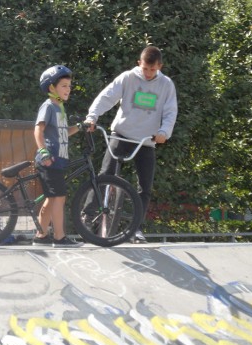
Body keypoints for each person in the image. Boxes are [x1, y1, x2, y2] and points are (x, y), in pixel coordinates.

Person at [84, 46, 178, 243]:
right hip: (122, 134)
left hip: (146, 140)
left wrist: (163, 133)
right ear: (139, 63)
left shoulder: (166, 85)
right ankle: (87, 217)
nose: (148, 73)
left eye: (152, 70)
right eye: (145, 69)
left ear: (159, 66)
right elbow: (107, 96)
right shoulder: (128, 77)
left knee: (145, 186)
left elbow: (170, 111)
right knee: (104, 176)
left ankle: (135, 229)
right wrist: (92, 117)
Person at [33, 65, 83, 248]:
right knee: (59, 197)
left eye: (69, 86)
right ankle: (59, 237)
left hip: (56, 160)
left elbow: (63, 133)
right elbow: (38, 130)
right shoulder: (48, 107)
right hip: (49, 159)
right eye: (63, 86)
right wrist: (43, 151)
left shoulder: (60, 108)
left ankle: (41, 235)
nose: (68, 89)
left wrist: (80, 127)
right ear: (51, 88)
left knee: (52, 197)